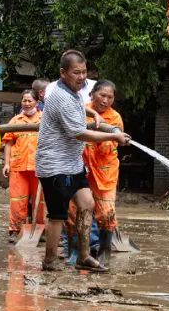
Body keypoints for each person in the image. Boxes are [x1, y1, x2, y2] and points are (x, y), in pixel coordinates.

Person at [37, 50, 130, 272]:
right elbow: (80, 134)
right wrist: (113, 135)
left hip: (72, 164)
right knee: (58, 216)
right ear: (63, 73)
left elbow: (80, 109)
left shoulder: (75, 92)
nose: (81, 77)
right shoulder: (60, 97)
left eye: (84, 72)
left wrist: (93, 115)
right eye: (75, 72)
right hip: (55, 166)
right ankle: (49, 261)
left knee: (87, 204)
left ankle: (84, 255)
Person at [69, 79, 124, 266]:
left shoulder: (115, 118)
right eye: (102, 95)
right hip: (80, 168)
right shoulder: (80, 110)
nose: (105, 100)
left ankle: (104, 252)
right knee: (74, 211)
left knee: (107, 213)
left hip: (105, 172)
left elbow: (109, 143)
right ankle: (75, 252)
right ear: (92, 94)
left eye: (110, 97)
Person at [2, 89, 43, 244]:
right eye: (24, 101)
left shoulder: (44, 119)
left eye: (29, 101)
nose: (26, 104)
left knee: (41, 201)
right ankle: (15, 229)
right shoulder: (15, 121)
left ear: (37, 102)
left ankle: (40, 229)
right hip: (18, 166)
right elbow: (8, 143)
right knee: (17, 200)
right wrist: (6, 163)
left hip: (39, 167)